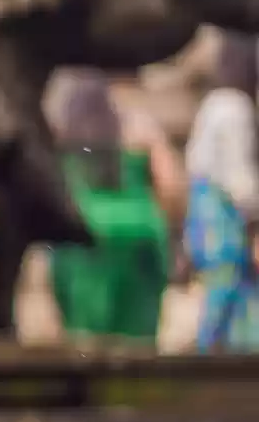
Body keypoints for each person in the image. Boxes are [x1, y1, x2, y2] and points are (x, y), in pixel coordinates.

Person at [43, 71, 172, 343]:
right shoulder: (139, 129)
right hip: (141, 231)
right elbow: (171, 186)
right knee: (138, 340)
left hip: (82, 231)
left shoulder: (58, 136)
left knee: (84, 336)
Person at [183, 30, 259, 352]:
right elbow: (238, 177)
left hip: (204, 210)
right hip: (222, 215)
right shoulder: (234, 107)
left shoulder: (212, 104)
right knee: (226, 291)